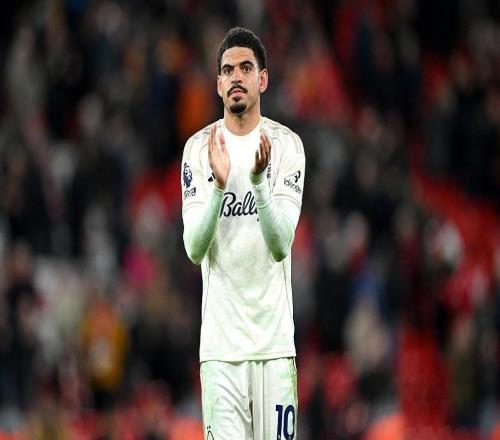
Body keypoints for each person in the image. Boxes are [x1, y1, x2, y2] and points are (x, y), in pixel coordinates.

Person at [181, 27, 305, 440]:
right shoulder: (199, 150)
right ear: (218, 83)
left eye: (246, 68)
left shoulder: (286, 146)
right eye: (228, 70)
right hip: (221, 353)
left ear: (262, 79)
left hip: (275, 348)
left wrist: (257, 183)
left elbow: (280, 244)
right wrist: (219, 188)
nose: (236, 76)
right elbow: (194, 249)